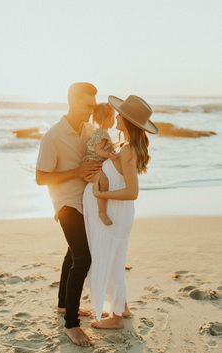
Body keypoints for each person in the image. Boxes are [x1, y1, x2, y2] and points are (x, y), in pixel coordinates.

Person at [83, 94, 158, 329]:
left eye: (120, 114)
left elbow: (132, 191)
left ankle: (115, 318)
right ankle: (121, 307)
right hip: (115, 213)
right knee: (114, 258)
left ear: (128, 121)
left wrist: (101, 196)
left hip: (114, 214)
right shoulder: (124, 148)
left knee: (112, 260)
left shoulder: (127, 151)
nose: (116, 116)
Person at [36, 82, 101, 347]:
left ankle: (64, 305)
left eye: (94, 105)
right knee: (84, 258)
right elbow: (41, 178)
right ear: (73, 101)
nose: (92, 110)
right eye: (88, 105)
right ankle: (71, 325)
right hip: (65, 204)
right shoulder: (52, 136)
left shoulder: (90, 130)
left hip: (87, 202)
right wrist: (76, 172)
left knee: (72, 253)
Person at [83, 102, 117, 225]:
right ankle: (102, 212)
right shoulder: (102, 134)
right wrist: (110, 155)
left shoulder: (100, 132)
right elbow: (99, 151)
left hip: (94, 164)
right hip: (93, 166)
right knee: (104, 181)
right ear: (107, 119)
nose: (114, 120)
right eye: (113, 117)